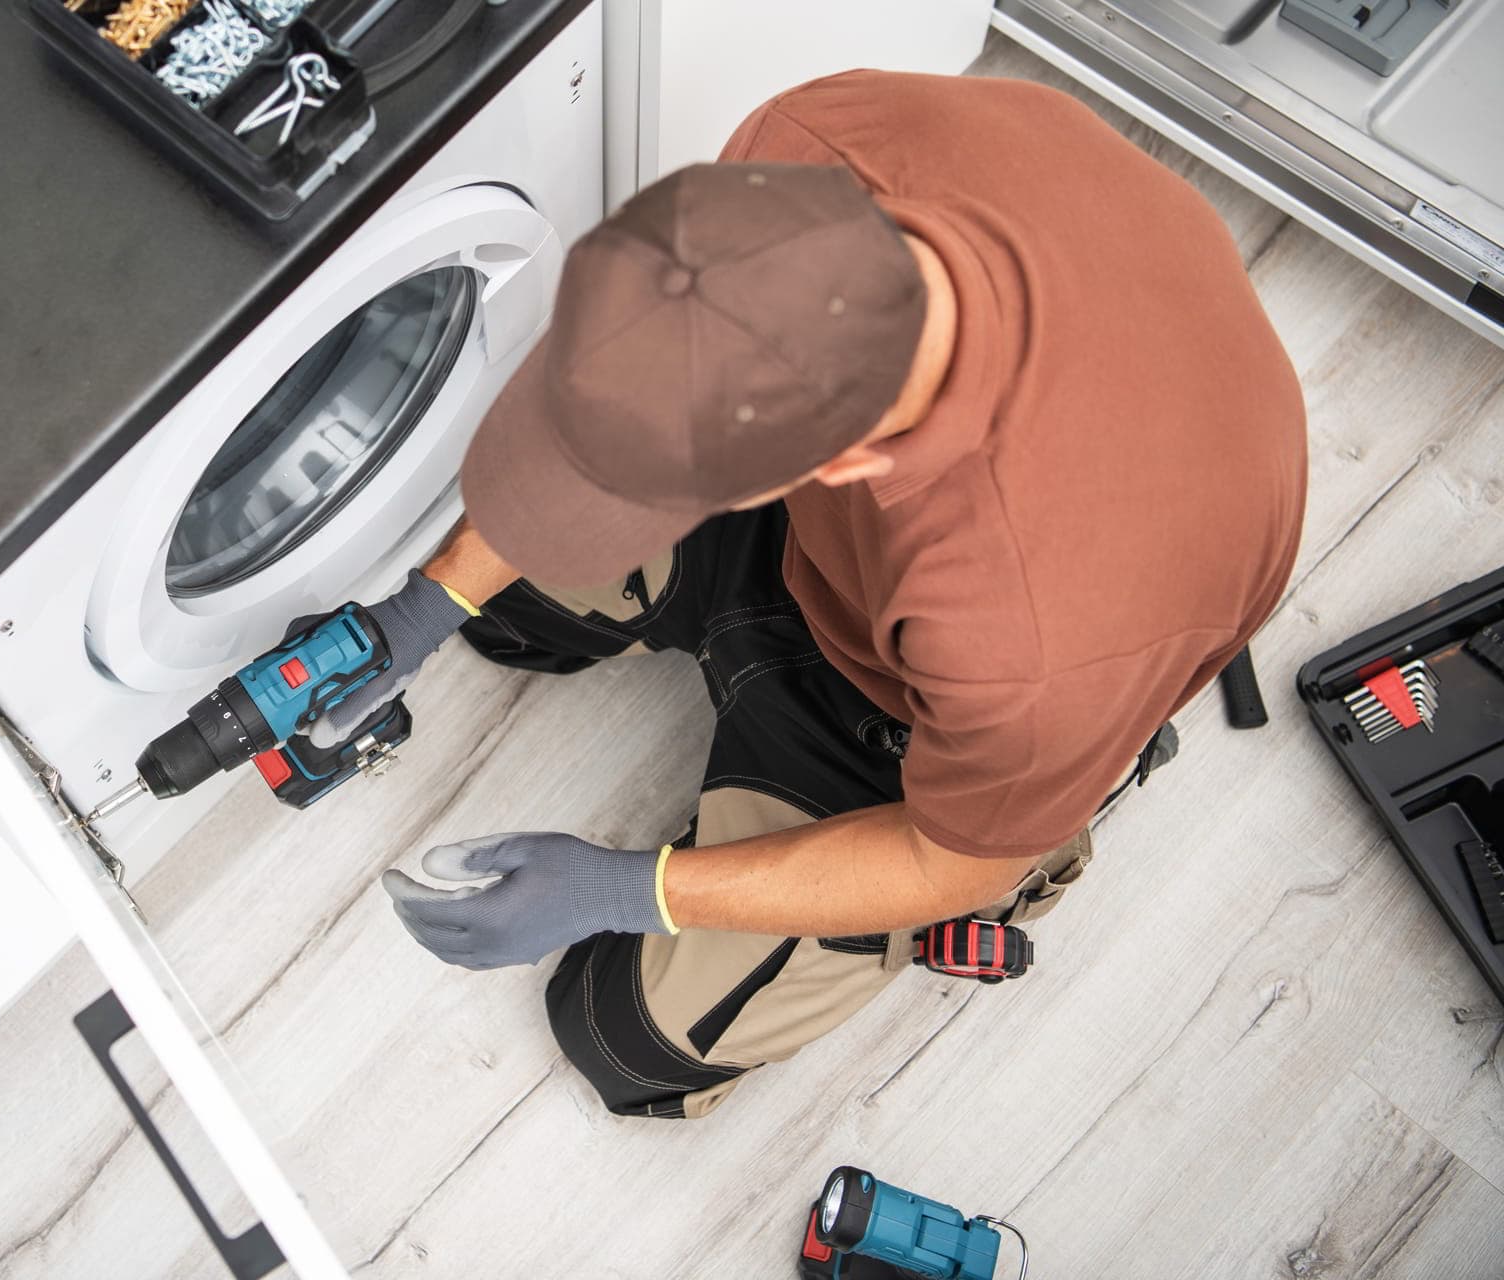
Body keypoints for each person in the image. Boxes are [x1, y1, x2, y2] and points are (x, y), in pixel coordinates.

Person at [301, 69, 1307, 1119]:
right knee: (508, 618)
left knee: (620, 1038)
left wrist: (621, 889)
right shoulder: (819, 140)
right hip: (825, 551)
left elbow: (945, 860)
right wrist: (420, 611)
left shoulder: (1035, 645)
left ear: (840, 462)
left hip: (923, 719)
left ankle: (1076, 781)